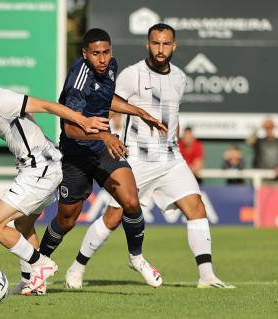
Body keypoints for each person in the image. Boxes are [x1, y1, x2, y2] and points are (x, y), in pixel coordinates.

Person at [64, 24, 235, 289]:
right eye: (156, 43)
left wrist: (173, 138)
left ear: (174, 46)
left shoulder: (180, 77)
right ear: (148, 44)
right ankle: (77, 268)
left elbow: (173, 114)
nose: (160, 49)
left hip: (170, 159)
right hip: (137, 160)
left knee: (196, 207)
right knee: (112, 217)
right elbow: (105, 105)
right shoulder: (132, 75)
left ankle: (207, 276)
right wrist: (104, 139)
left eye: (166, 44)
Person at [0, 57, 109, 296]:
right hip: (37, 167)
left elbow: (47, 106)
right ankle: (32, 282)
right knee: (23, 224)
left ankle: (41, 264)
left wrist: (82, 120)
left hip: (41, 168)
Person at [38, 28, 167, 289]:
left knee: (130, 200)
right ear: (85, 54)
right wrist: (105, 136)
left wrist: (139, 111)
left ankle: (136, 258)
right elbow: (70, 128)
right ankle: (37, 267)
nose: (102, 59)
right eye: (95, 53)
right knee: (66, 220)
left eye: (106, 52)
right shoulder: (78, 80)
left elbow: (106, 99)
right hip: (76, 153)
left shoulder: (110, 66)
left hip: (101, 149)